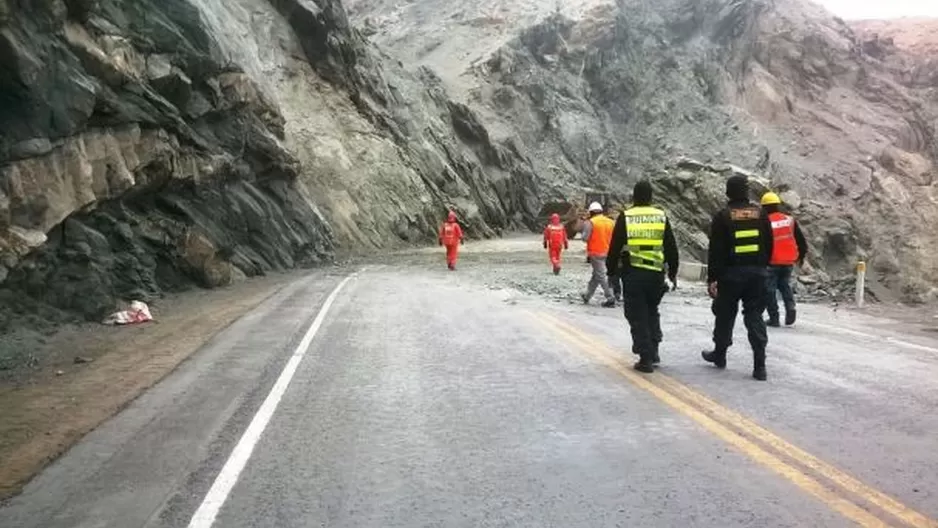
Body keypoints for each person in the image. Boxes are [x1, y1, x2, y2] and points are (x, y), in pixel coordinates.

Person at [702, 175, 774, 381]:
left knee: (725, 315)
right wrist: (762, 268)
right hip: (757, 275)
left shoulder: (723, 216)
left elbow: (716, 251)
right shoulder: (761, 214)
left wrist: (712, 279)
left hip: (731, 276)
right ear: (746, 192)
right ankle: (759, 365)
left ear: (728, 192)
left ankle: (720, 354)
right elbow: (769, 244)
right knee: (754, 316)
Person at [608, 181, 679, 373]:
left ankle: (645, 357)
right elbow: (672, 248)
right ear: (651, 197)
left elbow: (614, 247)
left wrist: (611, 270)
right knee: (651, 310)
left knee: (637, 314)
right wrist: (673, 273)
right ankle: (654, 349)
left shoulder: (627, 217)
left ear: (634, 196)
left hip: (634, 274)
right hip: (656, 275)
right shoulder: (661, 216)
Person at [760, 192, 808, 327]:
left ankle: (774, 318)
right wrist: (801, 257)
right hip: (788, 261)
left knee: (769, 290)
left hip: (772, 261)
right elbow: (801, 241)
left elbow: (761, 244)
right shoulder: (789, 220)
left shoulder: (765, 222)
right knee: (784, 285)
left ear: (764, 207)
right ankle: (790, 307)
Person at [580, 202, 617, 308]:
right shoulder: (611, 222)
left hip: (596, 252)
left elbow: (585, 238)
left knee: (601, 275)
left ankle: (610, 297)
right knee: (596, 275)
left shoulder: (591, 222)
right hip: (609, 251)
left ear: (591, 212)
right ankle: (587, 295)